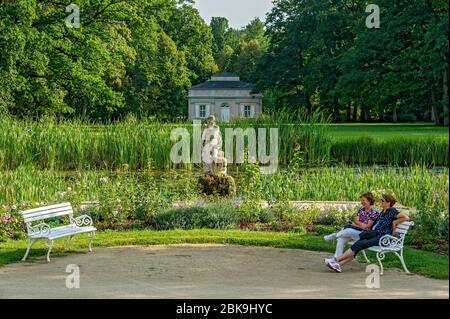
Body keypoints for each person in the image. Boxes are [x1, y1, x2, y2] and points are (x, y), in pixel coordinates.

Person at [325, 194, 409, 273]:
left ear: (388, 202)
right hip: (374, 234)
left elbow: (405, 217)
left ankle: (336, 260)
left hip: (382, 237)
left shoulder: (392, 211)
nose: (381, 202)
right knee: (358, 244)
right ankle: (338, 265)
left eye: (382, 201)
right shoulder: (383, 211)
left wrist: (394, 222)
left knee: (361, 243)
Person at [324, 192, 379, 257]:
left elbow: (366, 227)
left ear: (369, 200)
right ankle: (337, 258)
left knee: (349, 231)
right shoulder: (361, 210)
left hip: (363, 234)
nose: (361, 202)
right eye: (361, 200)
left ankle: (335, 235)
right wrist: (359, 224)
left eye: (363, 200)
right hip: (356, 231)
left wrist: (356, 225)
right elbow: (356, 220)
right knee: (341, 239)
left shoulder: (374, 213)